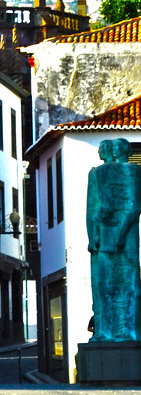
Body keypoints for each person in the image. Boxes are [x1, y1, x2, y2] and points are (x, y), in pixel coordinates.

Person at [86, 138, 141, 341]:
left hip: (122, 240)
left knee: (124, 286)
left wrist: (119, 234)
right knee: (103, 285)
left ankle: (123, 330)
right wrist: (95, 235)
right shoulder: (99, 173)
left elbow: (134, 206)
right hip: (107, 237)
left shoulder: (132, 171)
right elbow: (95, 209)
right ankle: (105, 330)